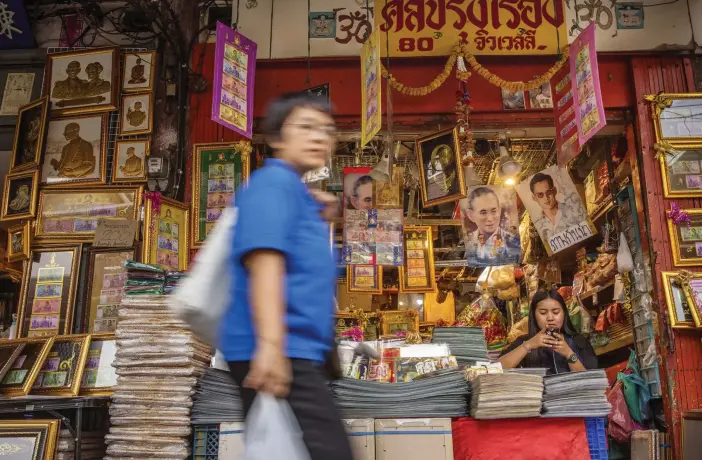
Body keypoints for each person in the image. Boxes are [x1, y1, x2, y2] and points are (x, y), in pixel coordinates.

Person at [220, 92, 353, 460]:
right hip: (282, 349)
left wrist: (315, 212)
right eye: (306, 127)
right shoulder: (273, 183)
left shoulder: (293, 191)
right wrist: (271, 347)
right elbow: (265, 263)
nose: (319, 138)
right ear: (277, 137)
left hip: (295, 349)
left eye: (326, 131)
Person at [498, 290, 597, 374]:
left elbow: (590, 381)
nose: (550, 318)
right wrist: (527, 346)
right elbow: (495, 370)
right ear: (534, 315)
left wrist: (569, 354)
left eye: (556, 312)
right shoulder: (524, 341)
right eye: (543, 313)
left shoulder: (578, 341)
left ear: (564, 313)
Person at [462, 187, 520, 265]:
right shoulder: (468, 243)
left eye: (494, 211)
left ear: (499, 211)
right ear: (471, 215)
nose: (490, 218)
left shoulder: (514, 242)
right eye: (483, 212)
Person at [529, 172, 586, 241]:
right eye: (540, 195)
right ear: (534, 198)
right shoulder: (538, 227)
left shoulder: (574, 209)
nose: (546, 198)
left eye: (548, 192)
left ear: (555, 191)